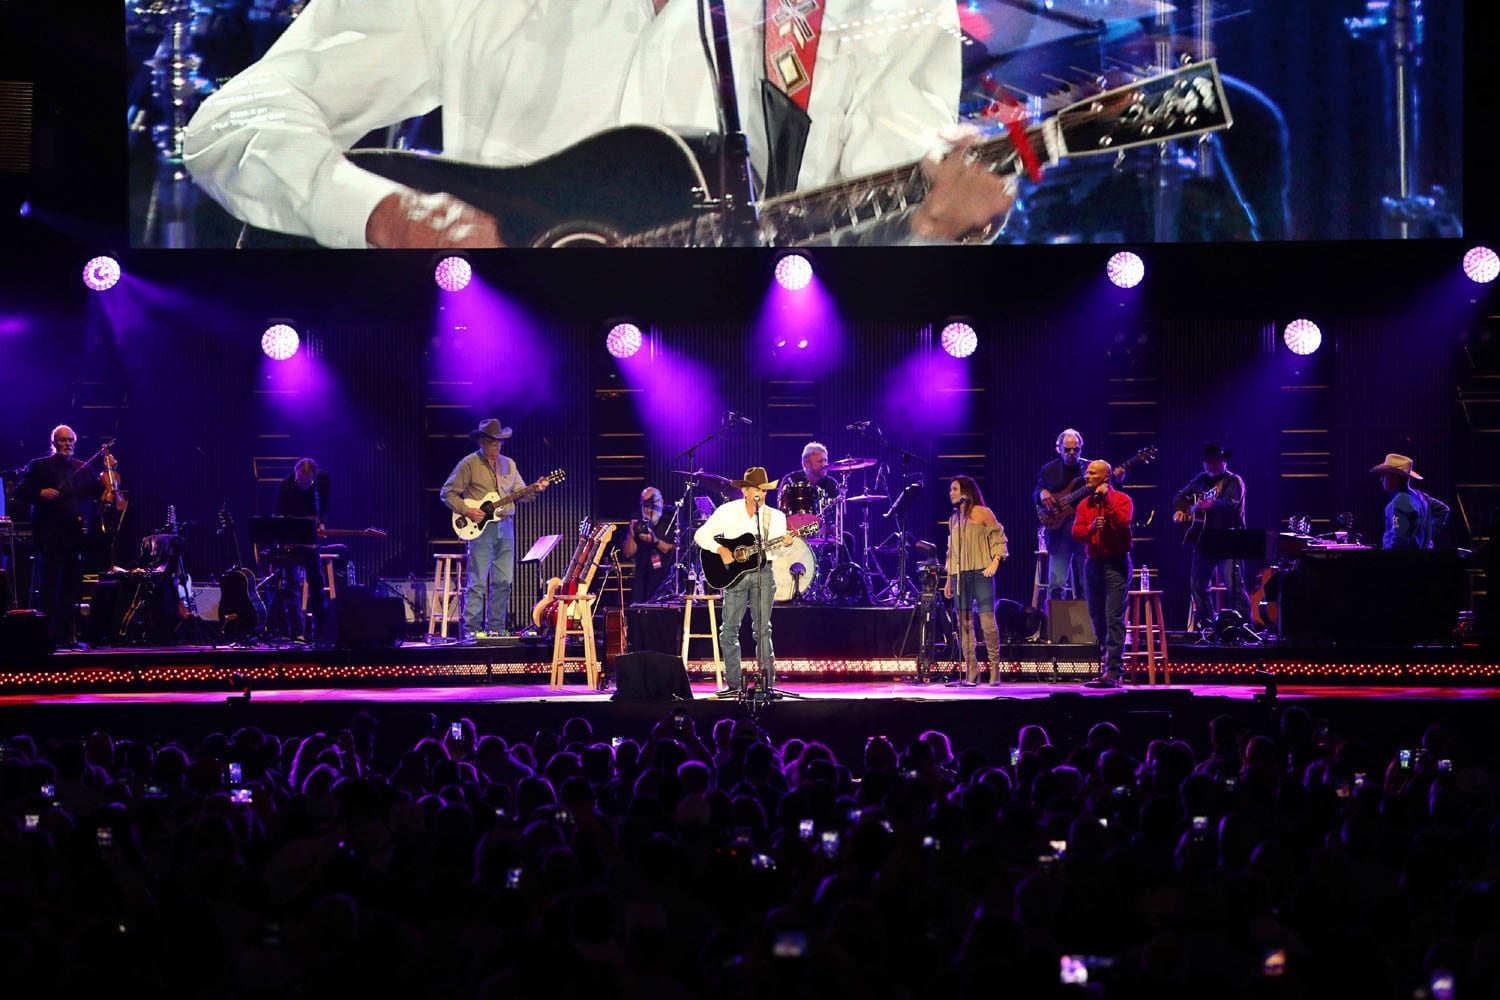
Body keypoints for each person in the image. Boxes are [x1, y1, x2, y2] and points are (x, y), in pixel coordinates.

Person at [181, 0, 1013, 248]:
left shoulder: (886, 9)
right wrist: (375, 212)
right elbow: (233, 122)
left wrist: (932, 228)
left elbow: (869, 246)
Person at [441, 418, 551, 640]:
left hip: (505, 527)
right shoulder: (468, 464)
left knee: (504, 581)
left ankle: (496, 629)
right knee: (478, 581)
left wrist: (537, 489)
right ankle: (471, 630)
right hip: (481, 530)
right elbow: (447, 493)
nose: (498, 445)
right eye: (493, 441)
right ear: (481, 441)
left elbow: (523, 494)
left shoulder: (509, 464)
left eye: (500, 441)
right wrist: (467, 510)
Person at [693, 467, 795, 696]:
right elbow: (700, 534)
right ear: (746, 491)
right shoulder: (727, 511)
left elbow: (776, 554)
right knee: (729, 629)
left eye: (764, 490)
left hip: (763, 574)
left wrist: (785, 545)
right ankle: (734, 684)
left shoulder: (775, 517)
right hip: (733, 576)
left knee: (762, 629)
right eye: (757, 489)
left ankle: (767, 683)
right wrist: (720, 549)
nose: (761, 494)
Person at [13, 425, 114, 648]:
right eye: (62, 440)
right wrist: (40, 493)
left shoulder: (83, 468)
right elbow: (20, 491)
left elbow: (99, 492)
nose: (67, 443)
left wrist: (109, 473)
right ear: (54, 442)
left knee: (71, 590)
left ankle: (68, 638)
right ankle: (47, 639)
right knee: (51, 589)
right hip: (50, 538)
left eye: (70, 440)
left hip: (75, 539)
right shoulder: (40, 466)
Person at [1171, 442, 1253, 628]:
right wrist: (1181, 511)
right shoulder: (1200, 480)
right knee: (1197, 587)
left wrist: (1210, 504)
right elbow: (1179, 497)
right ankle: (1208, 626)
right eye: (1207, 462)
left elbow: (1231, 504)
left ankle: (1244, 627)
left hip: (1228, 540)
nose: (1210, 465)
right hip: (1204, 541)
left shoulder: (1233, 481)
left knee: (1234, 587)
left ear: (1224, 462)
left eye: (1215, 461)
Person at [1072, 459, 1133, 688]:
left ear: (1105, 478)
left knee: (1113, 616)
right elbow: (1076, 533)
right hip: (1093, 564)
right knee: (1097, 616)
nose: (1086, 476)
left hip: (1116, 564)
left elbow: (1122, 523)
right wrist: (1090, 529)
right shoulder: (1084, 505)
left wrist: (1106, 499)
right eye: (1087, 473)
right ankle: (1105, 665)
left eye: (1091, 473)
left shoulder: (1121, 500)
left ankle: (1115, 671)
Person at [942, 475, 1008, 684]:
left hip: (981, 572)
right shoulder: (954, 519)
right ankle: (972, 668)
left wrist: (996, 560)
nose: (951, 493)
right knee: (963, 623)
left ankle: (995, 667)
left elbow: (998, 536)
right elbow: (950, 552)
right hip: (959, 576)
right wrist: (947, 579)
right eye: (950, 489)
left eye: (955, 489)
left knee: (987, 622)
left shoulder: (983, 513)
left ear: (966, 491)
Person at [270, 458, 332, 641]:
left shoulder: (322, 483)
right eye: (300, 481)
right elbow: (278, 512)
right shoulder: (286, 485)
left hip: (310, 540)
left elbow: (325, 506)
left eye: (308, 482)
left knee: (317, 585)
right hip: (290, 540)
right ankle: (296, 632)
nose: (303, 485)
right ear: (296, 474)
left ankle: (320, 632)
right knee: (291, 585)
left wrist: (321, 522)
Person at [1033, 429, 1089, 613]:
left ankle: (1089, 630)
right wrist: (1041, 493)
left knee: (1086, 581)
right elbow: (1037, 489)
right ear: (1059, 449)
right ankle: (1055, 627)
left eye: (1075, 449)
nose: (1072, 453)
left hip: (1084, 532)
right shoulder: (1048, 470)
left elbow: (1109, 491)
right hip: (1059, 533)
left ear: (1081, 449)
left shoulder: (1089, 469)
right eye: (1067, 450)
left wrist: (1118, 481)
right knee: (1056, 583)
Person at [1371, 453, 1449, 550]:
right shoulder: (1421, 496)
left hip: (1403, 562)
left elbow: (1399, 540)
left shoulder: (1400, 502)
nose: (1381, 478)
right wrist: (1428, 537)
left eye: (1384, 474)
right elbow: (1443, 509)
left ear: (1395, 476)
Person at [620, 486, 676, 605]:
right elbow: (627, 553)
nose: (648, 509)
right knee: (637, 609)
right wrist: (631, 534)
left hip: (668, 576)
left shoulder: (672, 517)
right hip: (643, 574)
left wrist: (655, 541)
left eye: (652, 504)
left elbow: (678, 549)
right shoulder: (637, 519)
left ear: (661, 502)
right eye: (645, 505)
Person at [777, 441, 841, 536]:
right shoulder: (791, 481)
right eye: (820, 461)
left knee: (847, 539)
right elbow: (781, 512)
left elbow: (835, 517)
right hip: (794, 532)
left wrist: (832, 528)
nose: (824, 465)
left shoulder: (831, 484)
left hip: (823, 532)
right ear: (806, 463)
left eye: (826, 460)